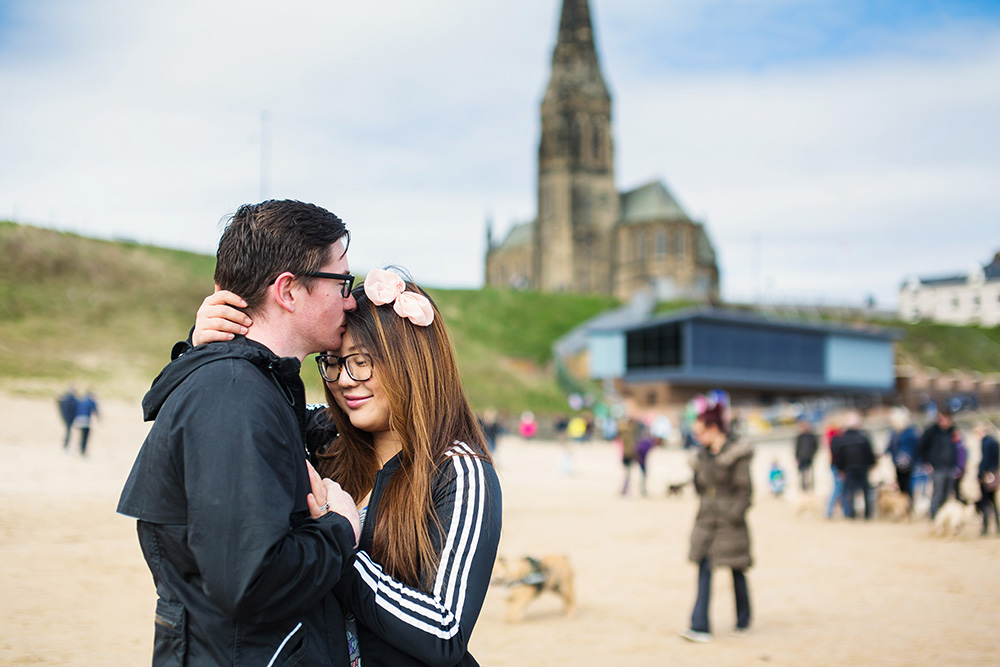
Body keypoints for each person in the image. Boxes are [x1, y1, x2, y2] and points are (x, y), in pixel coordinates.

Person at [197, 268, 502, 666]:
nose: (343, 380)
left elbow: (443, 632)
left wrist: (341, 544)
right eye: (333, 363)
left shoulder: (458, 471)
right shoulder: (323, 435)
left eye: (360, 362)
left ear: (410, 363)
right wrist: (207, 350)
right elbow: (244, 410)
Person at [117, 200, 362, 666]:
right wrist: (339, 532)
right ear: (289, 290)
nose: (350, 300)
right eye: (343, 283)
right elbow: (246, 578)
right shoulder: (234, 395)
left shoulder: (253, 386)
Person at [681, 404, 753, 643]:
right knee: (704, 567)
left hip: (730, 522)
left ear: (713, 429)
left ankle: (743, 618)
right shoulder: (701, 456)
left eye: (700, 432)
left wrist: (733, 514)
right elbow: (700, 488)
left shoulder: (737, 454)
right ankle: (699, 625)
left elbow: (745, 491)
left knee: (737, 569)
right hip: (707, 521)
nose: (697, 438)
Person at [831, 412, 876, 519]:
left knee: (850, 492)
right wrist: (871, 465)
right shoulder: (863, 437)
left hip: (849, 469)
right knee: (865, 491)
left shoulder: (842, 438)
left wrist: (840, 468)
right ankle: (867, 514)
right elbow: (869, 453)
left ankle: (851, 514)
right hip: (862, 468)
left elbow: (839, 456)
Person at [918, 406, 959, 520]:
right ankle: (934, 518)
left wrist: (958, 465)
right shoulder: (931, 432)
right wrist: (927, 463)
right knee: (937, 494)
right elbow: (921, 448)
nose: (943, 422)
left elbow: (959, 449)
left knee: (947, 495)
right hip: (937, 468)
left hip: (950, 467)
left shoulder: (953, 431)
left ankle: (944, 518)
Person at [885, 407, 920, 506]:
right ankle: (902, 508)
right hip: (897, 465)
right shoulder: (893, 433)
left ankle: (910, 507)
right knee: (901, 488)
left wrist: (919, 461)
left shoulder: (911, 432)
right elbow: (890, 447)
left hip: (911, 465)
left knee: (910, 487)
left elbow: (917, 447)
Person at [975, 423, 1000, 536]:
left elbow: (984, 460)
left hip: (986, 475)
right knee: (994, 502)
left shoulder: (986, 442)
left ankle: (985, 528)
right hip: (994, 474)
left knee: (985, 501)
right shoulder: (995, 442)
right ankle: (998, 527)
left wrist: (979, 475)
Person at [71, 389, 99, 456]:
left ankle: (77, 450)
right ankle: (83, 451)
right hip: (86, 420)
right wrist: (98, 418)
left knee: (79, 436)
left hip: (78, 420)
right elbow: (95, 410)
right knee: (85, 437)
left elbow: (73, 409)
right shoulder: (90, 401)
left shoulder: (79, 400)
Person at [793, 420, 818, 492]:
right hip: (801, 457)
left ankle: (811, 487)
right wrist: (796, 457)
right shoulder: (800, 437)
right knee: (801, 473)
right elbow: (797, 447)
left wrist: (813, 454)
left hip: (809, 457)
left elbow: (815, 446)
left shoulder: (811, 436)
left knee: (810, 472)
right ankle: (803, 487)